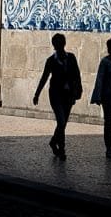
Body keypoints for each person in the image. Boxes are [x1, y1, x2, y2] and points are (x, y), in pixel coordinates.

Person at [32, 32, 82, 160]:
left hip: (68, 94)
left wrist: (78, 90)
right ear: (54, 45)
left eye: (60, 44)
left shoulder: (71, 58)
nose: (59, 46)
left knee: (63, 123)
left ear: (63, 44)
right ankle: (62, 149)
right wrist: (37, 94)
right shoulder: (51, 61)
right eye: (57, 44)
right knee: (61, 121)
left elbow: (77, 75)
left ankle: (53, 142)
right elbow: (44, 78)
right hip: (55, 95)